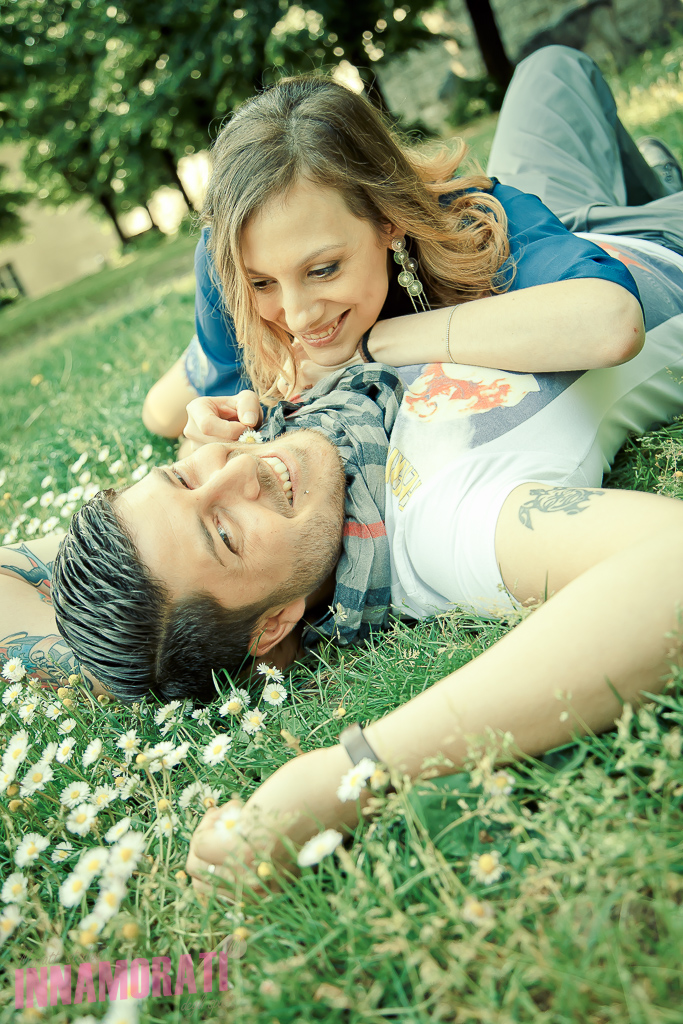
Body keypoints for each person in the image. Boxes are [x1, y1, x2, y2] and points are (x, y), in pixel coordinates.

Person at [2, 46, 682, 885]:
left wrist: (196, 441)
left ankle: (640, 172)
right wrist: (347, 773)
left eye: (187, 480)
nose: (237, 472)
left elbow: (12, 571)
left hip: (535, 236)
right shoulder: (438, 521)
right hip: (661, 254)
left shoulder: (293, 385)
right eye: (222, 531)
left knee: (551, 69)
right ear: (275, 625)